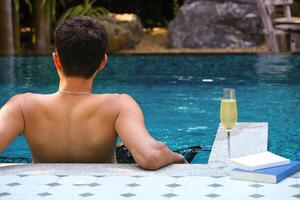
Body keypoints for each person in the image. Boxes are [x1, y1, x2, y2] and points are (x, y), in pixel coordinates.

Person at [0, 16, 186, 170]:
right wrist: (176, 157)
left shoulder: (22, 106)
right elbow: (150, 156)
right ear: (102, 63)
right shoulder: (118, 106)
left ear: (56, 60)